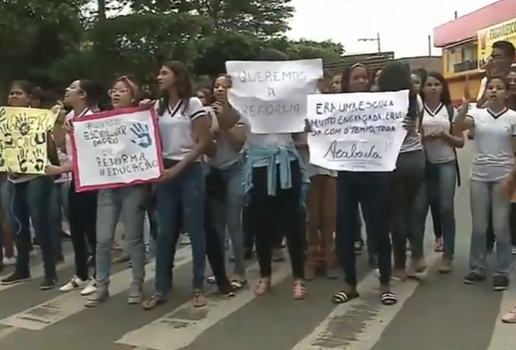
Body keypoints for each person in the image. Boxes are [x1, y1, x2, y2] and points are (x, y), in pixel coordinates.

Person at [143, 61, 212, 309]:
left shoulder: (192, 104)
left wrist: (177, 170)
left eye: (164, 73)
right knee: (164, 231)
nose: (158, 77)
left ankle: (197, 285)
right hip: (165, 171)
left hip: (189, 170)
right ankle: (161, 286)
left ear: (177, 76)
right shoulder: (157, 107)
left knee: (195, 228)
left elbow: (203, 142)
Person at [242, 48, 308, 300]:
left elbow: (302, 133)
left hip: (287, 162)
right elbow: (236, 132)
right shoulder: (246, 99)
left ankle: (299, 277)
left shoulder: (292, 98)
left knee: (294, 222)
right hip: (259, 166)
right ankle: (265, 274)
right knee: (262, 224)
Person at [332, 62, 396, 306]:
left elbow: (394, 128)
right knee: (346, 231)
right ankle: (349, 284)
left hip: (375, 174)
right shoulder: (334, 108)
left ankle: (386, 285)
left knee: (379, 230)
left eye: (364, 78)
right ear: (347, 82)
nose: (361, 81)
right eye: (356, 77)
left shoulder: (382, 105)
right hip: (347, 175)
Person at [83, 76, 148, 307]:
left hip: (133, 186)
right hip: (108, 186)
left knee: (134, 238)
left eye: (122, 90)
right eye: (114, 90)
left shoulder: (142, 117)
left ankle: (137, 283)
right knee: (103, 240)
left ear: (133, 95)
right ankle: (101, 286)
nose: (116, 94)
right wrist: (75, 132)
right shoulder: (100, 122)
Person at [455, 75, 515, 291]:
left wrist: (511, 179)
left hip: (503, 176)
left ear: (507, 93)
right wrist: (464, 105)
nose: (494, 91)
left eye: (499, 88)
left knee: (501, 226)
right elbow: (458, 127)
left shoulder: (513, 118)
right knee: (480, 226)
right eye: (490, 87)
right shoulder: (477, 114)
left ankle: (502, 271)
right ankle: (477, 267)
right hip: (479, 177)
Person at [0, 80, 58, 290]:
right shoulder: (4, 120)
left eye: (18, 93)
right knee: (17, 225)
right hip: (14, 179)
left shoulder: (38, 119)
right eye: (11, 93)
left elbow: (46, 147)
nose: (13, 97)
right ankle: (22, 268)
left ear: (29, 98)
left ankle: (50, 272)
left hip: (36, 177)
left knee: (40, 223)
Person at [381, 62, 426, 281]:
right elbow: (417, 126)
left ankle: (399, 265)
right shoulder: (414, 98)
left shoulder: (382, 100)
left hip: (394, 159)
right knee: (411, 209)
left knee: (397, 214)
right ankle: (417, 255)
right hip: (416, 157)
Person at [59, 79, 102, 296]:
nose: (67, 90)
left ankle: (98, 276)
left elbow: (91, 154)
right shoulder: (68, 117)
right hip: (74, 179)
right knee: (75, 228)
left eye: (72, 88)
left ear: (83, 94)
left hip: (91, 181)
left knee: (91, 229)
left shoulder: (94, 118)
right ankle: (81, 273)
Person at [417, 72, 463, 273]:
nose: (433, 88)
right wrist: (425, 137)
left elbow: (460, 141)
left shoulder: (450, 111)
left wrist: (445, 136)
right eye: (429, 84)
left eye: (437, 84)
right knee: (419, 209)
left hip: (447, 163)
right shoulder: (418, 111)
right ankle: (416, 256)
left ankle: (448, 256)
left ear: (443, 88)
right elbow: (412, 139)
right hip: (424, 165)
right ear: (423, 88)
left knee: (446, 209)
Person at [205, 74, 247, 287]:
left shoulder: (240, 114)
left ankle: (239, 271)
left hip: (234, 171)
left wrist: (224, 123)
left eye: (225, 86)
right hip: (213, 172)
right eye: (216, 86)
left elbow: (238, 144)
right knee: (216, 225)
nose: (220, 89)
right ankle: (219, 271)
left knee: (233, 222)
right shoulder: (206, 112)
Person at [305, 72, 338, 280]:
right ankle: (312, 258)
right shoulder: (297, 106)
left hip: (331, 165)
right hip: (308, 165)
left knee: (329, 216)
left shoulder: (335, 103)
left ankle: (328, 258)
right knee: (311, 217)